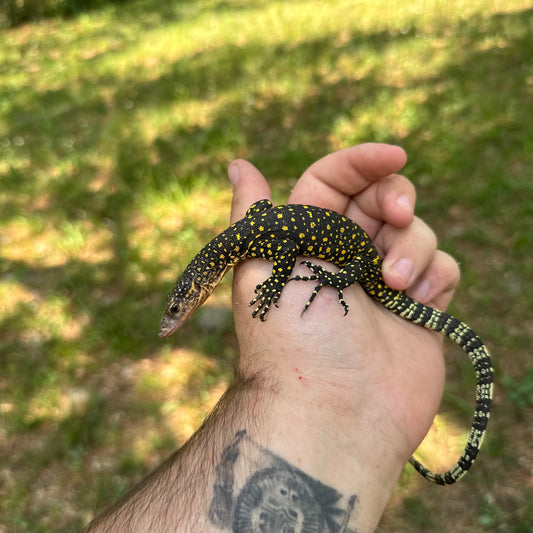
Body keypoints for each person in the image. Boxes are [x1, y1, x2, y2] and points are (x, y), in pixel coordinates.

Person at [84, 143, 459, 533]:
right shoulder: (246, 237)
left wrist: (280, 285)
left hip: (361, 265)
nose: (172, 322)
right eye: (174, 312)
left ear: (198, 289)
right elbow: (270, 224)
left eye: (177, 310)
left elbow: (286, 249)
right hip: (352, 262)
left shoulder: (250, 242)